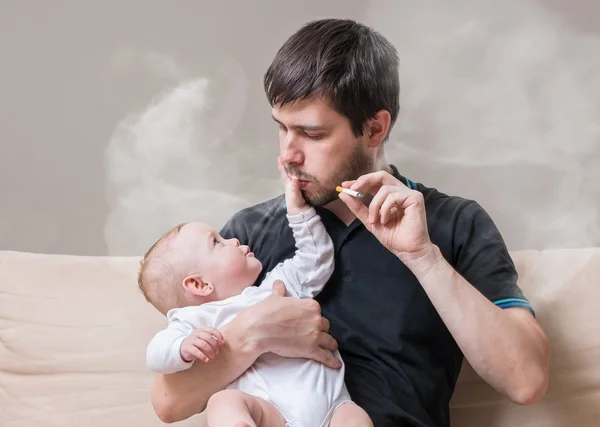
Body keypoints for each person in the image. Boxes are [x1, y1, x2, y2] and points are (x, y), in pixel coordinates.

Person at [150, 18, 551, 427]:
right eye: (282, 128)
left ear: (375, 128)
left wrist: (424, 259)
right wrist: (251, 335)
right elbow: (168, 401)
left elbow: (526, 380)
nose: (289, 154)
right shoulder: (249, 236)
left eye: (312, 133)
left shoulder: (454, 223)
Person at [139, 157, 373, 427]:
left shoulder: (275, 286)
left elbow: (316, 259)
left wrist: (299, 212)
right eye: (217, 242)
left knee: (355, 417)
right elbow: (155, 354)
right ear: (199, 285)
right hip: (272, 414)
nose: (234, 240)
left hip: (332, 408)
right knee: (225, 403)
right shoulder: (198, 321)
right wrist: (182, 347)